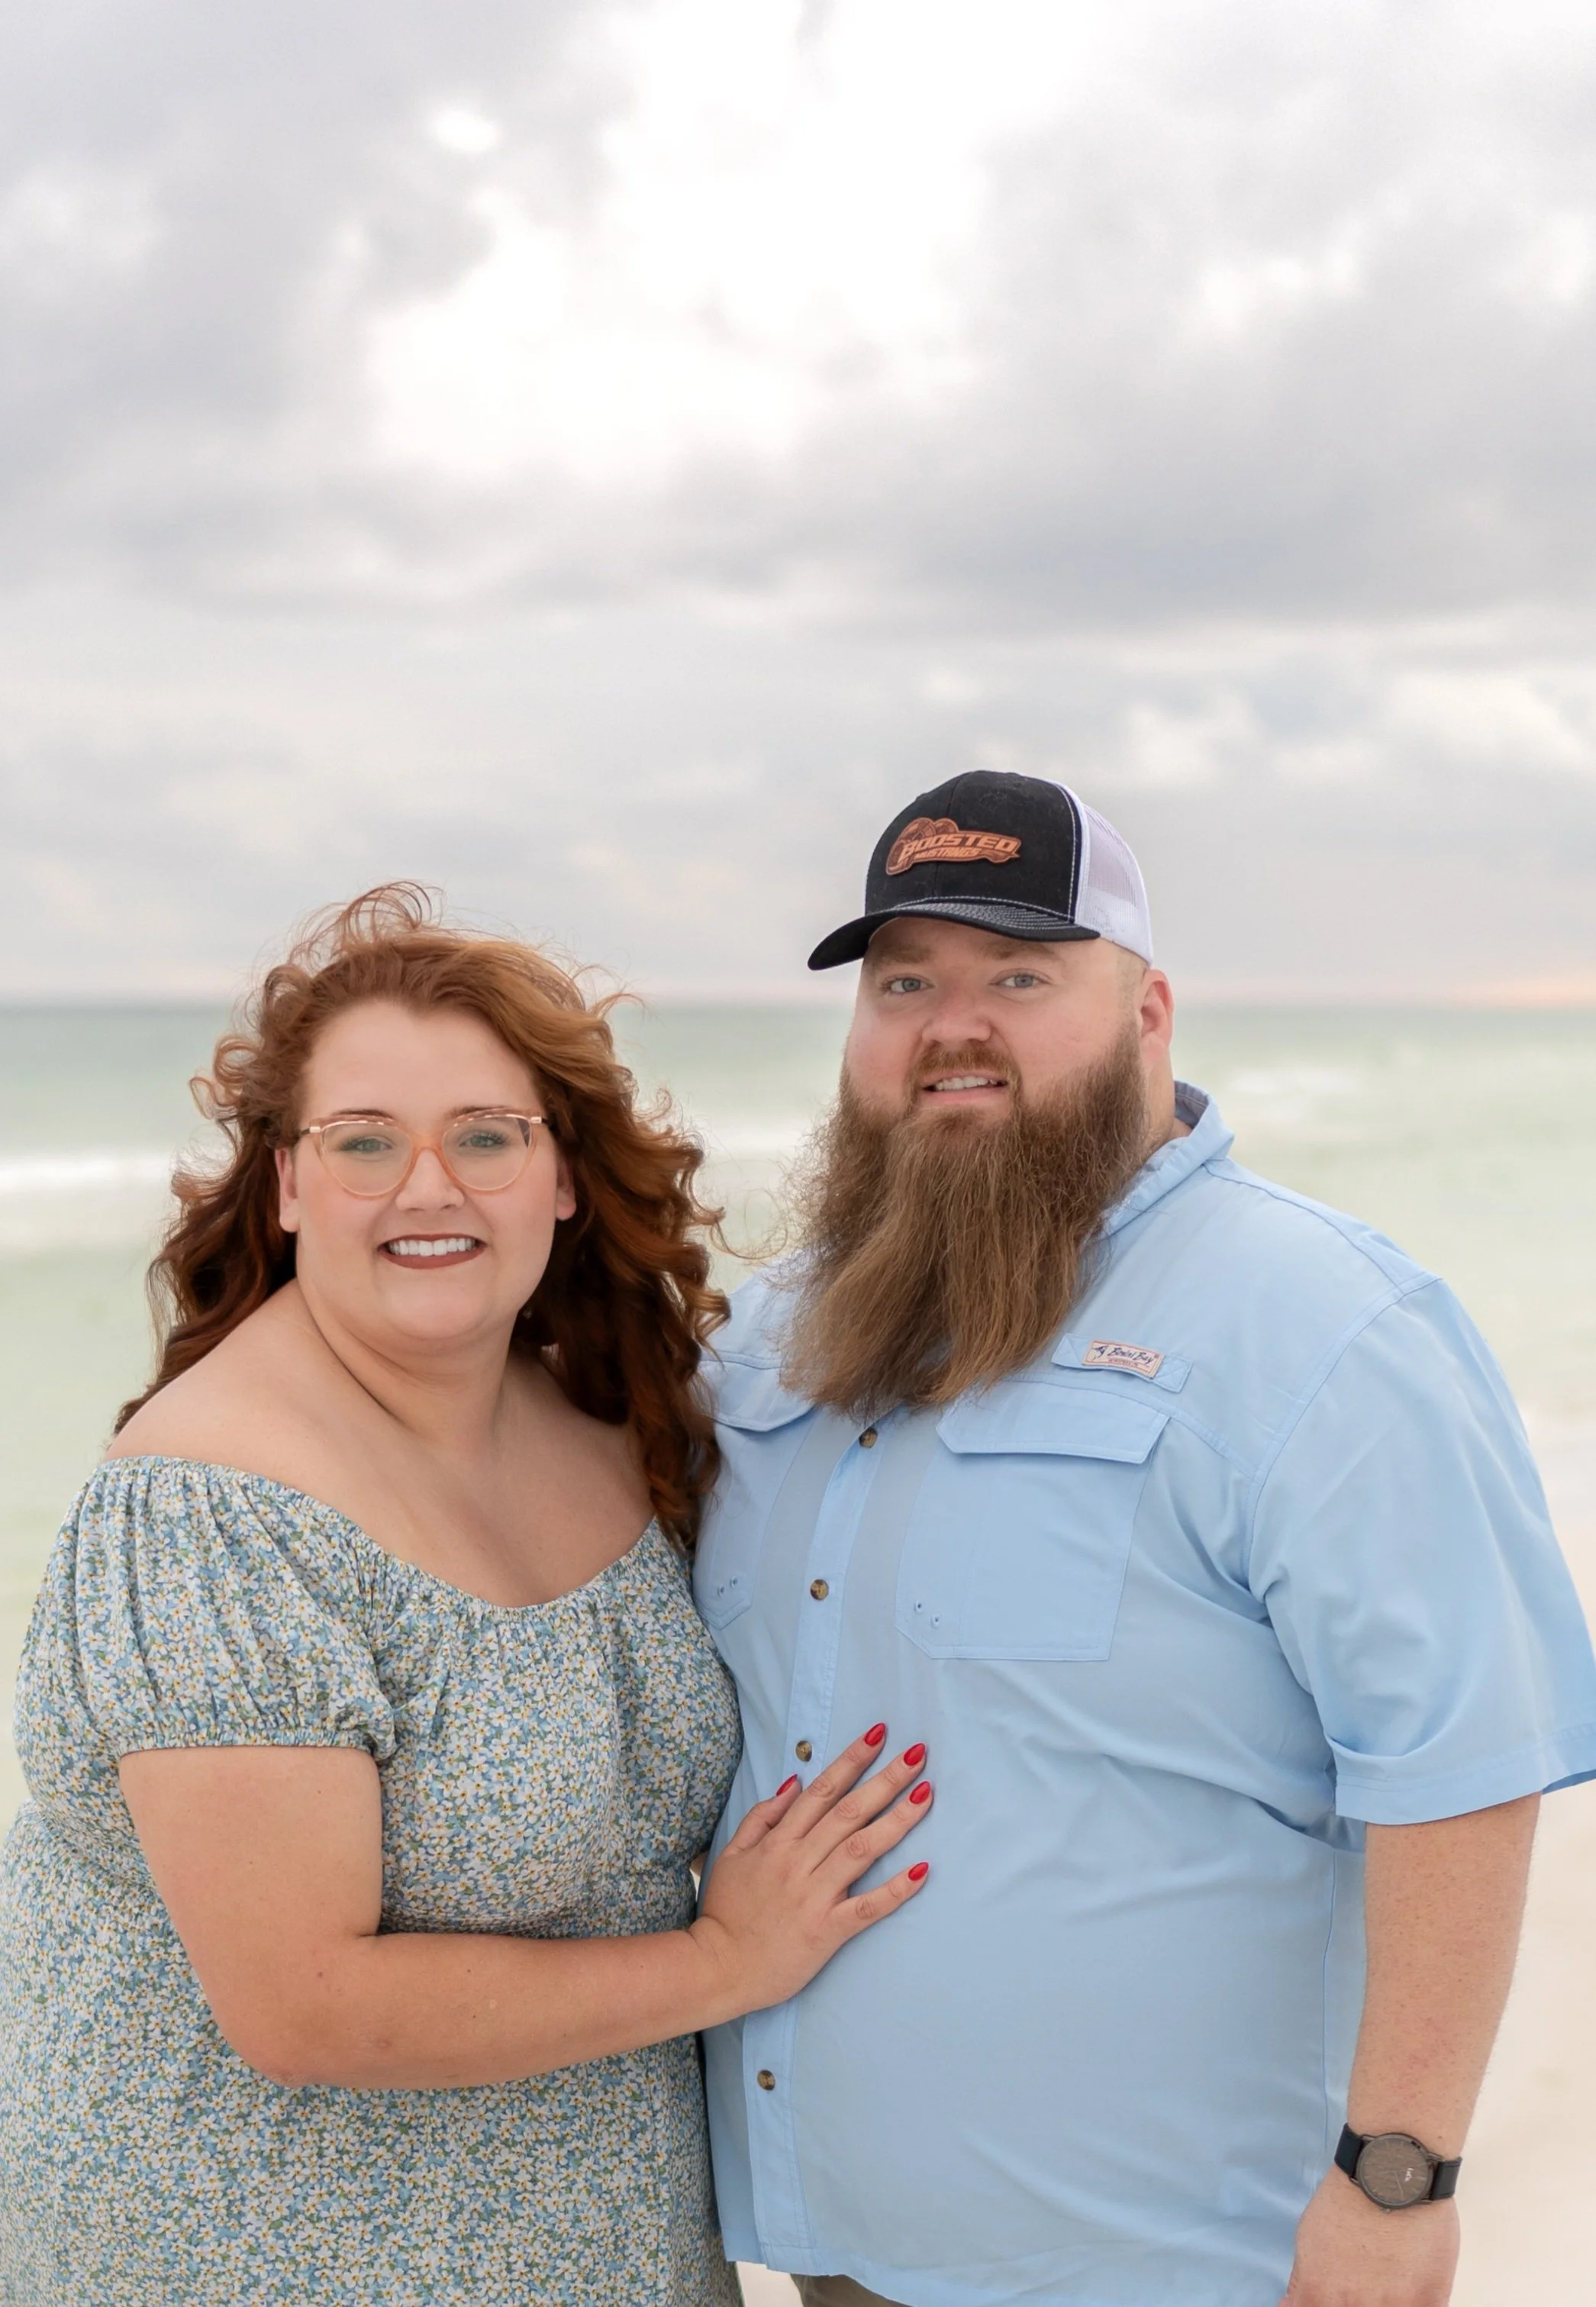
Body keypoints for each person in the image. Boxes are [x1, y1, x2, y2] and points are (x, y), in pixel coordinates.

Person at [692, 773, 1596, 2307]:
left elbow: (1460, 1768)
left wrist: (1397, 2181)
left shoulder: (1320, 1322)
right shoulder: (777, 1335)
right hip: (827, 2255)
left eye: (1020, 976)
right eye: (903, 979)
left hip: (1178, 2262)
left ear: (1149, 1009)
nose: (949, 1022)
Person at [0, 886, 932, 2307]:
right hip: (266, 2254)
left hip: (599, 2245)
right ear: (288, 1185)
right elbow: (306, 2003)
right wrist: (728, 1957)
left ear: (560, 1175)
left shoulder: (607, 1421)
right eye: (362, 1140)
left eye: (484, 1135)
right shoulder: (212, 1510)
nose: (427, 1186)